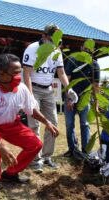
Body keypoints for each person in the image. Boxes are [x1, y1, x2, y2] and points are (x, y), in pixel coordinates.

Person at [0, 53, 59, 191]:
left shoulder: (22, 88)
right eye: (15, 73)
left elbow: (31, 109)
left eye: (20, 72)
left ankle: (10, 173)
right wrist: (2, 147)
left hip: (12, 124)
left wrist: (47, 122)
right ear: (2, 74)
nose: (19, 76)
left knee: (35, 144)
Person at [22, 24, 77, 173]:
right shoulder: (32, 49)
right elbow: (26, 73)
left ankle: (47, 157)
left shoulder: (57, 51)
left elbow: (61, 73)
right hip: (33, 88)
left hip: (48, 90)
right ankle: (35, 159)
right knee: (34, 125)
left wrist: (68, 89)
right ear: (44, 36)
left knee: (52, 122)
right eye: (52, 39)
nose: (55, 42)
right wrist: (30, 96)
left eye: (58, 39)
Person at [63, 49, 100, 158]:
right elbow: (67, 81)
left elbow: (95, 86)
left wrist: (96, 103)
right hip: (71, 97)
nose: (87, 51)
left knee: (85, 124)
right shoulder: (72, 60)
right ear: (81, 48)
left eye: (89, 50)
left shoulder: (95, 64)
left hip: (85, 98)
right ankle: (72, 150)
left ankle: (86, 150)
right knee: (69, 125)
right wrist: (69, 98)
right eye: (85, 48)